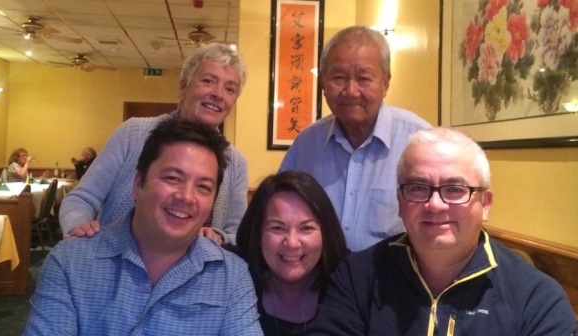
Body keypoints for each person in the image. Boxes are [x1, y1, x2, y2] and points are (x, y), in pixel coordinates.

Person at [306, 127, 577, 335]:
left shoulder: (536, 298)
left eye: (456, 190)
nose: (435, 205)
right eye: (418, 188)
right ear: (400, 202)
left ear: (485, 204)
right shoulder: (357, 277)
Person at [24, 119, 262, 335]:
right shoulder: (70, 263)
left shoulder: (232, 277)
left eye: (203, 187)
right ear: (138, 184)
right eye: (172, 178)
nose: (187, 197)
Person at [59, 43, 248, 244]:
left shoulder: (235, 163)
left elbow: (238, 234)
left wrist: (220, 237)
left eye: (230, 89)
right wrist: (79, 230)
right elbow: (81, 199)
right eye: (209, 81)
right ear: (183, 89)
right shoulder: (132, 134)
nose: (218, 94)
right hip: (114, 264)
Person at [279, 26, 432, 252]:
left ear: (386, 83)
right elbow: (278, 210)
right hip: (320, 281)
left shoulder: (420, 142)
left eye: (363, 78)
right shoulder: (307, 144)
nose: (350, 91)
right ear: (323, 83)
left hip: (391, 281)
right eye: (339, 77)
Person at [232, 171, 348, 336]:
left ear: (326, 234)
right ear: (257, 234)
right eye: (277, 228)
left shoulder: (347, 288)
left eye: (306, 228)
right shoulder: (234, 281)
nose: (292, 243)